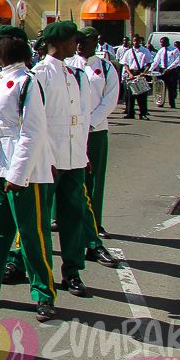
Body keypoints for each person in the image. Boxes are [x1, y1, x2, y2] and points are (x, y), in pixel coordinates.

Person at [0, 25, 57, 321]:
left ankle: (43, 293)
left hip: (25, 169)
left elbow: (33, 131)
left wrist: (18, 173)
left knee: (32, 234)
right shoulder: (0, 77)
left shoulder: (28, 81)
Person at [31, 21, 93, 298]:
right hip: (50, 159)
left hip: (74, 156)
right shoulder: (39, 74)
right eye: (72, 40)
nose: (76, 45)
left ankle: (72, 270)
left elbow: (83, 118)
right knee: (40, 220)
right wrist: (45, 157)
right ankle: (36, 270)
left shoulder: (76, 74)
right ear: (58, 43)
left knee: (73, 215)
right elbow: (36, 121)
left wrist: (84, 153)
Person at [66, 27, 120, 267]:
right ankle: (60, 217)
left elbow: (110, 99)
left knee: (94, 178)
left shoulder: (106, 68)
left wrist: (90, 122)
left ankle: (95, 222)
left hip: (95, 130)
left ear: (96, 42)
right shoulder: (68, 64)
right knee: (67, 175)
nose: (80, 45)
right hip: (71, 130)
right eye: (77, 41)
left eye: (85, 41)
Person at [119, 34, 152, 119]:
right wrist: (129, 73)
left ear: (140, 41)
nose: (135, 42)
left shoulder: (145, 51)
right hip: (131, 73)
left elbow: (149, 63)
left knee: (142, 96)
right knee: (130, 95)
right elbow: (125, 64)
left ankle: (143, 114)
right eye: (134, 41)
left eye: (137, 40)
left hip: (140, 73)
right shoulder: (129, 52)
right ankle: (130, 113)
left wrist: (144, 73)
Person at [149, 36, 178, 109]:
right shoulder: (161, 50)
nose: (161, 44)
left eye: (162, 42)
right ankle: (160, 102)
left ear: (167, 42)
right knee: (161, 87)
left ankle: (172, 103)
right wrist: (150, 69)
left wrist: (168, 68)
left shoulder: (174, 50)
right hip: (162, 70)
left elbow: (177, 61)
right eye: (160, 42)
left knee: (171, 88)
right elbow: (156, 61)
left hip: (171, 70)